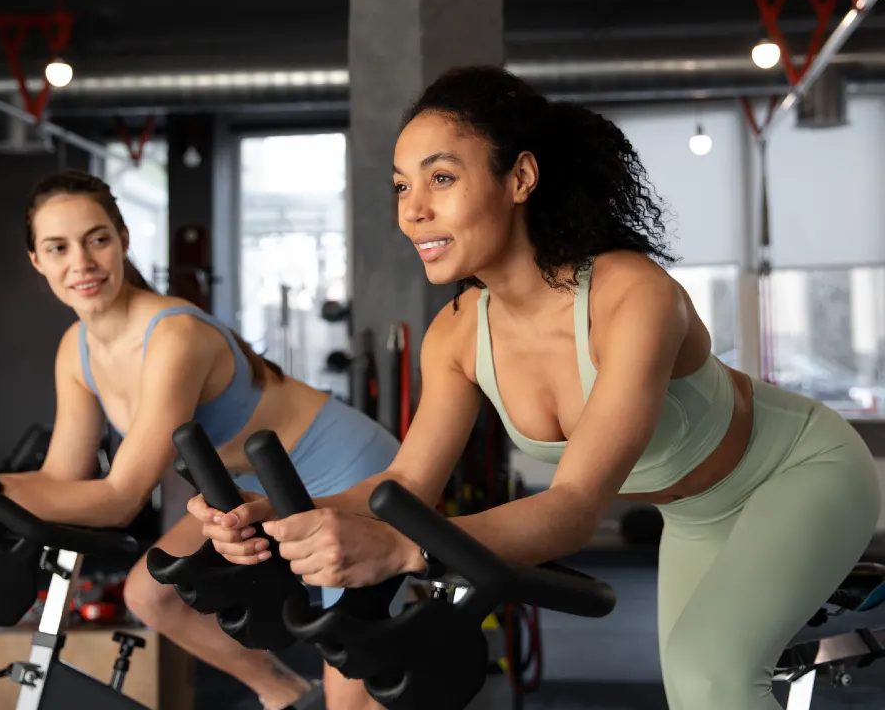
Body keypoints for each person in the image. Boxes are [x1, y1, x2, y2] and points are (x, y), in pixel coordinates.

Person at [191, 65, 883, 709]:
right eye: (401, 185)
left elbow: (576, 505)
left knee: (713, 671)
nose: (412, 211)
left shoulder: (630, 296)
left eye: (440, 179)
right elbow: (406, 486)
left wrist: (406, 551)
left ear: (519, 177)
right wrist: (271, 517)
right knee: (696, 691)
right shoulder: (457, 335)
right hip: (698, 515)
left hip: (800, 473)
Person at [0, 169, 399, 710]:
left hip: (350, 473)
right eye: (57, 248)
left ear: (123, 240)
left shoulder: (173, 336)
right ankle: (286, 695)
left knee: (351, 684)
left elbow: (119, 498)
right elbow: (63, 480)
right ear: (37, 261)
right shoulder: (76, 349)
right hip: (257, 488)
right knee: (150, 593)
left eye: (97, 240)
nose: (80, 264)